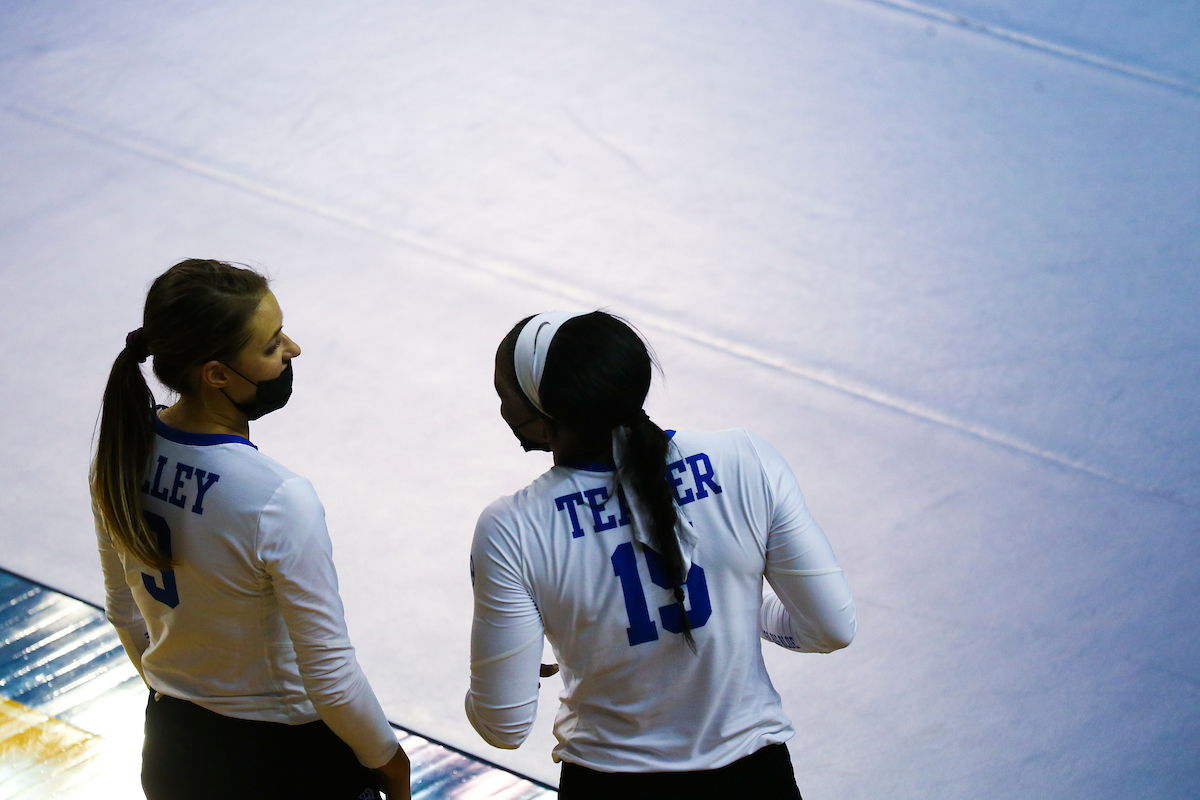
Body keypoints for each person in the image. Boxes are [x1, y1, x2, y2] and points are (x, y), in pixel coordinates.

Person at [465, 311, 857, 799]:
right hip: (756, 781)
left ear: (541, 411)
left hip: (608, 785)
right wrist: (738, 605)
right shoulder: (744, 458)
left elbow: (504, 725)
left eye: (504, 394)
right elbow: (831, 628)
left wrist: (509, 669)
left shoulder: (512, 528)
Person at [91, 259, 410, 799]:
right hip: (286, 762)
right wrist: (393, 767)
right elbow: (330, 677)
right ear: (216, 374)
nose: (293, 350)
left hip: (172, 751)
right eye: (271, 345)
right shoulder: (277, 497)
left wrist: (189, 700)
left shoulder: (120, 455)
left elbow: (124, 613)